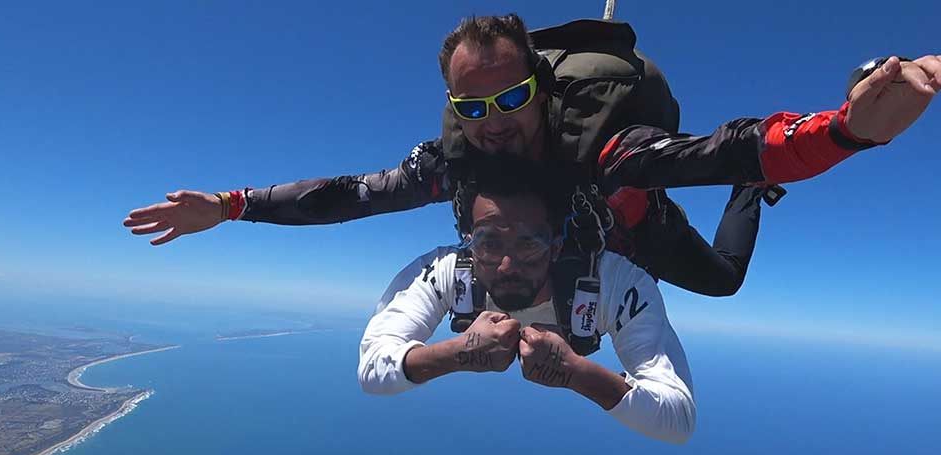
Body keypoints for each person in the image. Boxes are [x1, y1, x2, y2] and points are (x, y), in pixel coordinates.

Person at [123, 16, 938, 302]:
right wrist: (230, 206)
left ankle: (751, 201)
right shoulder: (452, 162)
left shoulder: (611, 148)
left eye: (512, 98)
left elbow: (724, 148)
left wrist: (847, 132)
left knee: (723, 280)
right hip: (551, 244)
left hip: (628, 223)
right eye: (473, 107)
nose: (494, 122)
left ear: (542, 91)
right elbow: (347, 197)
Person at [358, 155, 695, 444]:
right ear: (469, 244)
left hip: (655, 247)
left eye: (528, 245)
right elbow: (372, 367)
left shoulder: (611, 282)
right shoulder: (451, 270)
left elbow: (678, 418)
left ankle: (747, 194)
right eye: (489, 244)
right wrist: (456, 354)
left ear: (557, 246)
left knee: (725, 278)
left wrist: (577, 373)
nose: (507, 266)